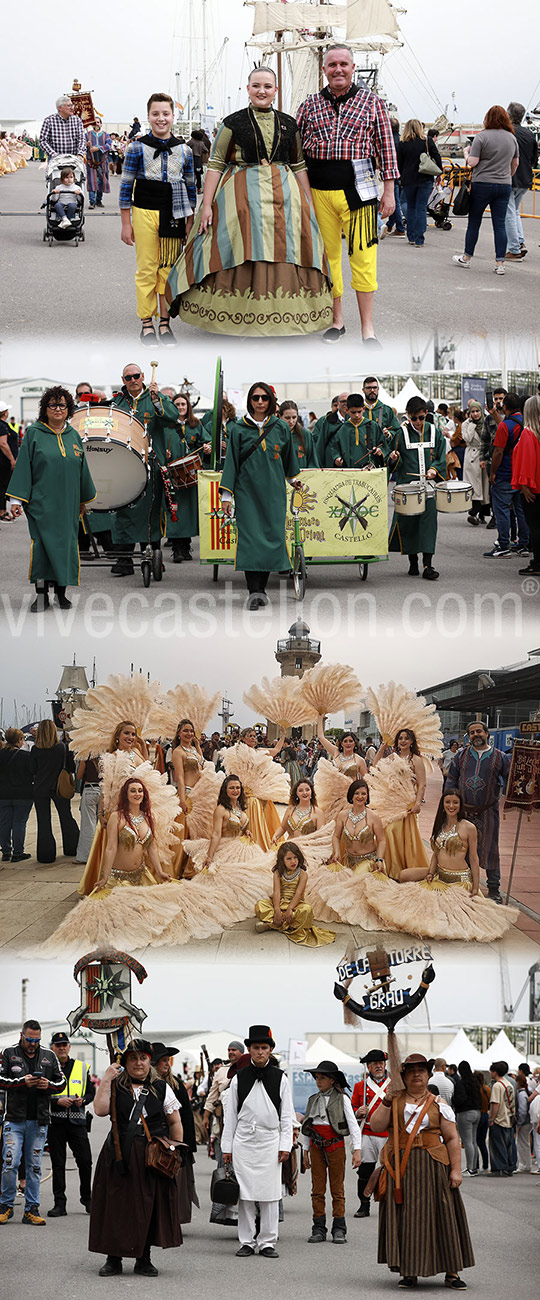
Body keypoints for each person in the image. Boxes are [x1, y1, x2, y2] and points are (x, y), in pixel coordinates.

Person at [166, 67, 332, 336]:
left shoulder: (290, 124)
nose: (262, 91)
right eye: (256, 85)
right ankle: (237, 317)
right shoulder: (233, 122)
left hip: (286, 197)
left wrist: (309, 206)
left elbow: (299, 165)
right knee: (235, 245)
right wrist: (206, 205)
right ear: (248, 88)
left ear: (275, 91)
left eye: (267, 86)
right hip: (241, 196)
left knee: (287, 248)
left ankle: (285, 316)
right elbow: (216, 164)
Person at [296, 44, 398, 344]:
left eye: (343, 64)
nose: (338, 69)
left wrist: (389, 191)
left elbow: (386, 149)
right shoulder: (310, 104)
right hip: (318, 194)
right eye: (332, 65)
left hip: (360, 193)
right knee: (328, 260)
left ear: (353, 67)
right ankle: (337, 320)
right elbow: (293, 146)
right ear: (323, 69)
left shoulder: (372, 102)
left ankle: (368, 328)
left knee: (364, 261)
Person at [371, 1054, 474, 1289]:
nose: (416, 1074)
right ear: (404, 1076)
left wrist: (456, 1171)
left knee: (443, 1215)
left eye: (421, 1070)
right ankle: (409, 1272)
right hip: (401, 1169)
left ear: (429, 1075)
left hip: (434, 1166)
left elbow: (451, 1138)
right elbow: (376, 1126)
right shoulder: (394, 1101)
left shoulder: (439, 1103)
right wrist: (387, 1100)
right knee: (406, 1218)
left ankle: (452, 1272)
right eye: (411, 1071)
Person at [89, 1040, 185, 1276]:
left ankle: (144, 1258)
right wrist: (107, 1077)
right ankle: (114, 1258)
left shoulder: (161, 1087)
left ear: (149, 1060)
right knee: (116, 1205)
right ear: (126, 1061)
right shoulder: (115, 1086)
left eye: (143, 1058)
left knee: (148, 1206)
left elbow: (175, 1122)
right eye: (133, 1058)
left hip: (151, 1156)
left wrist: (175, 1152)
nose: (138, 1063)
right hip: (118, 1152)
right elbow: (100, 1110)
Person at [7, 387, 96, 611]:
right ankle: (41, 595)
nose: (58, 409)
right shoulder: (34, 433)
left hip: (68, 506)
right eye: (53, 405)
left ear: (69, 409)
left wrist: (83, 500)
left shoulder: (73, 435)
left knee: (66, 548)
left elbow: (82, 470)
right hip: (41, 505)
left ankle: (61, 593)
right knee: (42, 550)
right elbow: (23, 468)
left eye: (62, 405)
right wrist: (17, 501)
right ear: (45, 409)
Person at [119, 92, 196, 344]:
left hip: (173, 212)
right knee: (146, 269)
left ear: (173, 116)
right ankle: (146, 323)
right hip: (144, 211)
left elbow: (191, 186)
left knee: (168, 270)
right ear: (148, 117)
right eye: (155, 114)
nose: (160, 119)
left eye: (165, 114)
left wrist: (190, 221)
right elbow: (126, 185)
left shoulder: (184, 150)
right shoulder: (136, 148)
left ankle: (164, 322)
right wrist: (125, 222)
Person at [219, 381, 300, 609]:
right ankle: (254, 592)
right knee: (251, 541)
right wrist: (227, 496)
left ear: (271, 400)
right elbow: (232, 464)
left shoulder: (281, 427)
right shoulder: (238, 428)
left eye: (264, 398)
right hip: (247, 493)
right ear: (250, 401)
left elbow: (288, 459)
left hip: (274, 493)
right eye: (256, 398)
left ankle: (261, 589)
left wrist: (294, 481)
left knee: (270, 540)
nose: (261, 402)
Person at [221, 1024, 295, 1258]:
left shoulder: (280, 1078)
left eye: (264, 1047)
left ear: (270, 1050)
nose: (260, 1052)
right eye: (256, 1047)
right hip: (243, 1140)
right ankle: (246, 1240)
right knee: (246, 1194)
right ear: (249, 1050)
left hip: (270, 1141)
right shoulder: (239, 1078)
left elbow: (286, 1115)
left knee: (270, 1194)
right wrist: (227, 1147)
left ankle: (267, 1241)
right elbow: (230, 1115)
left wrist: (286, 1145)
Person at [108, 364, 178, 577]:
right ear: (123, 378)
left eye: (136, 376)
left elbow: (172, 417)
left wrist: (158, 400)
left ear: (143, 376)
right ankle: (124, 559)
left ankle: (153, 555)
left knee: (150, 511)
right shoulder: (118, 401)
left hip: (151, 464)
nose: (133, 380)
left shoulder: (155, 396)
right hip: (123, 465)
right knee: (123, 510)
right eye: (128, 377)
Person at [0, 1019, 65, 1225]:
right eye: (29, 1039)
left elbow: (61, 1082)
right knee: (10, 1164)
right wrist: (22, 1081)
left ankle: (31, 1209)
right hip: (14, 1120)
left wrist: (48, 1085)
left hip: (39, 1121)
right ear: (21, 1035)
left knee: (35, 1167)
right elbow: (0, 1079)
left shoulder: (49, 1055)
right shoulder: (8, 1053)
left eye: (36, 1040)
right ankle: (6, 1207)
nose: (33, 1043)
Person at [445, 721, 511, 902]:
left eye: (479, 731)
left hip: (488, 811)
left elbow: (510, 780)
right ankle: (464, 883)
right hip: (464, 812)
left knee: (490, 847)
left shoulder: (500, 757)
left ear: (487, 733)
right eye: (472, 732)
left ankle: (494, 888)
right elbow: (451, 780)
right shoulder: (461, 756)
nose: (476, 735)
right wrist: (448, 803)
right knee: (462, 847)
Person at [452, 105, 519, 275]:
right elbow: (515, 163)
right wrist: (507, 176)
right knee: (500, 225)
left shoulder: (481, 137)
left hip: (482, 184)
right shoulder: (512, 138)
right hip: (504, 185)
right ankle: (500, 263)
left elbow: (473, 162)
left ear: (487, 118)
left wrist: (466, 153)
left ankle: (467, 257)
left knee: (474, 222)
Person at [301, 1060, 362, 1244]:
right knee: (317, 1189)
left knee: (337, 1189)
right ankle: (318, 1227)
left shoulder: (342, 1098)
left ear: (332, 1080)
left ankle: (339, 1228)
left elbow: (353, 1125)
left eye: (322, 1078)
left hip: (335, 1146)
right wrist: (305, 1151)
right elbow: (307, 1127)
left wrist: (357, 1151)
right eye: (317, 1078)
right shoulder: (312, 1100)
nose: (318, 1081)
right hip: (316, 1146)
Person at [388, 396, 447, 580]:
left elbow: (441, 456)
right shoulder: (400, 434)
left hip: (429, 488)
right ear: (408, 415)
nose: (419, 422)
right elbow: (391, 461)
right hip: (408, 488)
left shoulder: (435, 432)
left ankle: (428, 565)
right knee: (409, 525)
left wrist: (434, 469)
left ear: (426, 414)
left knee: (429, 525)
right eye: (414, 418)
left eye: (422, 417)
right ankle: (413, 562)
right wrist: (394, 458)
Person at [47, 1032, 95, 1217]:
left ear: (69, 1047)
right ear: (52, 1047)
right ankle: (60, 1204)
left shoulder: (82, 1067)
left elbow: (91, 1092)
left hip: (77, 1122)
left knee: (85, 1161)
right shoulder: (47, 1067)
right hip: (56, 1122)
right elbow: (40, 1094)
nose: (61, 1047)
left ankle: (87, 1199)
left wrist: (83, 1101)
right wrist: (56, 1102)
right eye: (58, 1045)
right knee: (58, 1164)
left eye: (64, 1044)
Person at [255, 841, 335, 946]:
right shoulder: (278, 873)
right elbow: (276, 892)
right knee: (260, 905)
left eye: (295, 857)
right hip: (280, 902)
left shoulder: (303, 874)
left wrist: (289, 909)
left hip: (296, 904)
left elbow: (298, 893)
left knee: (306, 910)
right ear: (282, 860)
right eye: (289, 859)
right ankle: (286, 923)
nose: (293, 861)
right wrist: (277, 909)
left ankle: (272, 925)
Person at [484, 392, 529, 559]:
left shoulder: (505, 426)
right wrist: (495, 414)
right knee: (521, 511)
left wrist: (493, 472)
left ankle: (503, 545)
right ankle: (523, 544)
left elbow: (498, 452)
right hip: (522, 473)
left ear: (505, 407)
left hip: (505, 473)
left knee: (501, 510)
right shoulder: (525, 423)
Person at [165, 393, 208, 561]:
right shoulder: (166, 426)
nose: (180, 407)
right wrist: (164, 453)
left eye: (183, 404)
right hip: (172, 476)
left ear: (188, 406)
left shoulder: (196, 425)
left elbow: (207, 442)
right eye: (177, 404)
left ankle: (185, 546)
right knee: (175, 511)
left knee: (188, 513)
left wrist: (206, 448)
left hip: (190, 475)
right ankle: (177, 548)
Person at [30, 719, 79, 864]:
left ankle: (46, 854)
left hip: (40, 787)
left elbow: (32, 769)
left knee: (43, 821)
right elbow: (70, 767)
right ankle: (72, 848)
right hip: (59, 786)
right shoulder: (62, 748)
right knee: (66, 817)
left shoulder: (35, 749)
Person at [351, 1050, 390, 1219]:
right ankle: (364, 1204)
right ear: (368, 1067)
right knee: (365, 1171)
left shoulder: (393, 1084)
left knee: (390, 1170)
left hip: (388, 1134)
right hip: (367, 1133)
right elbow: (351, 1108)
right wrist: (357, 1111)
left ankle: (389, 1204)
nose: (378, 1066)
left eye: (381, 1063)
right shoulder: (360, 1086)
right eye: (374, 1063)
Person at [396, 119, 442, 247]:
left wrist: (400, 177)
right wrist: (439, 173)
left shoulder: (402, 143)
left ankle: (411, 236)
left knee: (411, 207)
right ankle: (419, 239)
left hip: (408, 179)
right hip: (425, 178)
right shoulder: (427, 141)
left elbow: (399, 163)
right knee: (421, 208)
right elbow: (436, 156)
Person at [504, 102, 538, 260]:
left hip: (511, 176)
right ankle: (520, 241)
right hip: (526, 178)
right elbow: (534, 158)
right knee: (515, 212)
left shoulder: (507, 132)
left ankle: (514, 248)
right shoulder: (529, 134)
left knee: (509, 213)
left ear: (509, 115)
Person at [512, 394, 540, 576]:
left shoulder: (528, 434)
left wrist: (524, 486)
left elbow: (526, 462)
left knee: (535, 527)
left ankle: (537, 563)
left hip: (532, 489)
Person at [0, 727, 33, 862]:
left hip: (3, 794)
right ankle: (18, 852)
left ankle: (6, 851)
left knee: (4, 823)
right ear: (19, 740)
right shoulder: (26, 756)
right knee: (19, 822)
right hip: (23, 793)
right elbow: (32, 773)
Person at [333, 393, 389, 468]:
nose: (356, 415)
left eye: (359, 412)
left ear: (363, 409)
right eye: (353, 412)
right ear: (347, 410)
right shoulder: (342, 429)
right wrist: (337, 458)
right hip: (349, 472)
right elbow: (335, 449)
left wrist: (380, 450)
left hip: (370, 470)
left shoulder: (373, 426)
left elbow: (383, 444)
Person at [271, 777, 326, 843]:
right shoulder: (290, 809)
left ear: (311, 792)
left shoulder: (318, 812)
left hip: (308, 849)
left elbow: (321, 837)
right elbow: (283, 827)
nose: (304, 793)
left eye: (307, 790)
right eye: (300, 790)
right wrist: (276, 836)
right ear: (296, 793)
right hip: (289, 848)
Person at [461, 402, 490, 524]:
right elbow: (467, 438)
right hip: (472, 458)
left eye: (477, 411)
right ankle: (473, 512)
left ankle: (482, 514)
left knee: (485, 487)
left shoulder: (487, 421)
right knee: (474, 487)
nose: (475, 414)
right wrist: (472, 425)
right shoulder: (466, 424)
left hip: (484, 455)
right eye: (472, 412)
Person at [452, 1061, 482, 1177]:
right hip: (477, 1112)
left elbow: (460, 1098)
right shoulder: (475, 1082)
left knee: (467, 1141)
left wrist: (453, 1101)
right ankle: (473, 1168)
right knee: (473, 1141)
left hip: (465, 1113)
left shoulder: (461, 1083)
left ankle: (470, 1169)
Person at [488, 1060, 515, 1176]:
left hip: (499, 1118)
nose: (490, 1073)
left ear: (495, 1072)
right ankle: (509, 1167)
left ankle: (499, 1168)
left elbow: (496, 1103)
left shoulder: (497, 1086)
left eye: (491, 1071)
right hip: (509, 1117)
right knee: (509, 1144)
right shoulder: (509, 1084)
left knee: (497, 1145)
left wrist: (491, 1119)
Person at [39, 95, 86, 160]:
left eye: (72, 105)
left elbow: (82, 139)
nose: (72, 108)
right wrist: (53, 154)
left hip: (74, 159)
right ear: (60, 108)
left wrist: (80, 154)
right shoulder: (49, 121)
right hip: (55, 160)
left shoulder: (77, 120)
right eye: (69, 106)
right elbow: (43, 141)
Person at [362, 377, 402, 450]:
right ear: (363, 390)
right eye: (369, 388)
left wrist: (388, 434)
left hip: (382, 455)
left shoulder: (387, 410)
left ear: (378, 389)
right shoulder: (357, 411)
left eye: (375, 387)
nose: (372, 390)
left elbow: (397, 431)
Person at [278, 401, 319, 467]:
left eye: (294, 417)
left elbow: (312, 461)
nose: (291, 421)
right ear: (280, 416)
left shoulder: (305, 434)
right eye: (287, 418)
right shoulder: (274, 433)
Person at [85, 118, 111, 209]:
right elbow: (81, 145)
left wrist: (98, 148)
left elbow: (108, 146)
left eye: (98, 122)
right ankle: (92, 202)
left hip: (102, 162)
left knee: (101, 181)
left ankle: (98, 200)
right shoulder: (87, 135)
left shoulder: (105, 135)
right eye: (94, 122)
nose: (96, 124)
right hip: (91, 162)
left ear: (101, 124)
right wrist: (86, 144)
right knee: (92, 181)